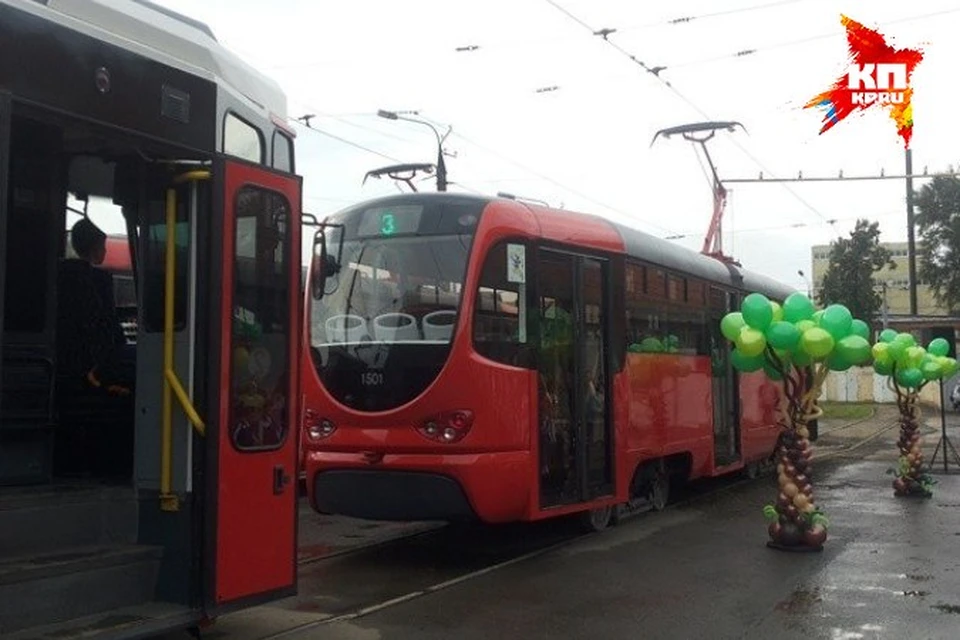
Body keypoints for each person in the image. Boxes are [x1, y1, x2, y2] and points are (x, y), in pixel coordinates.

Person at [56, 218, 133, 479]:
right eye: (102, 246)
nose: (105, 251)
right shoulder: (98, 280)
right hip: (92, 369)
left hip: (69, 365)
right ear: (94, 247)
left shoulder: (60, 275)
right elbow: (107, 325)